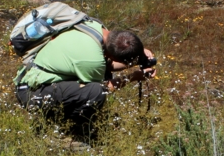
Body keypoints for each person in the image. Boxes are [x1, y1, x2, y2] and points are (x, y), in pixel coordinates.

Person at [14, 20, 155, 135]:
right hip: (31, 93)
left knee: (96, 82)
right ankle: (69, 131)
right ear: (111, 56)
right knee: (95, 92)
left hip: (31, 77)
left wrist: (138, 59)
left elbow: (107, 64)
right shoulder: (92, 60)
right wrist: (133, 76)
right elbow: (105, 88)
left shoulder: (94, 26)